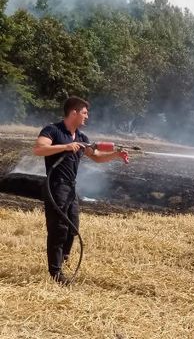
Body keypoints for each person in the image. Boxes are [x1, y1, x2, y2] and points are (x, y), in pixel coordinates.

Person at [33, 96, 129, 285]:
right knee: (58, 229)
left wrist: (116, 154)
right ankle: (56, 272)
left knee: (73, 227)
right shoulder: (52, 130)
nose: (87, 116)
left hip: (70, 186)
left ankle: (64, 260)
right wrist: (66, 147)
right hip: (55, 185)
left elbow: (97, 156)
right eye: (84, 112)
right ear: (74, 112)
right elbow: (39, 149)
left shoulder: (82, 138)